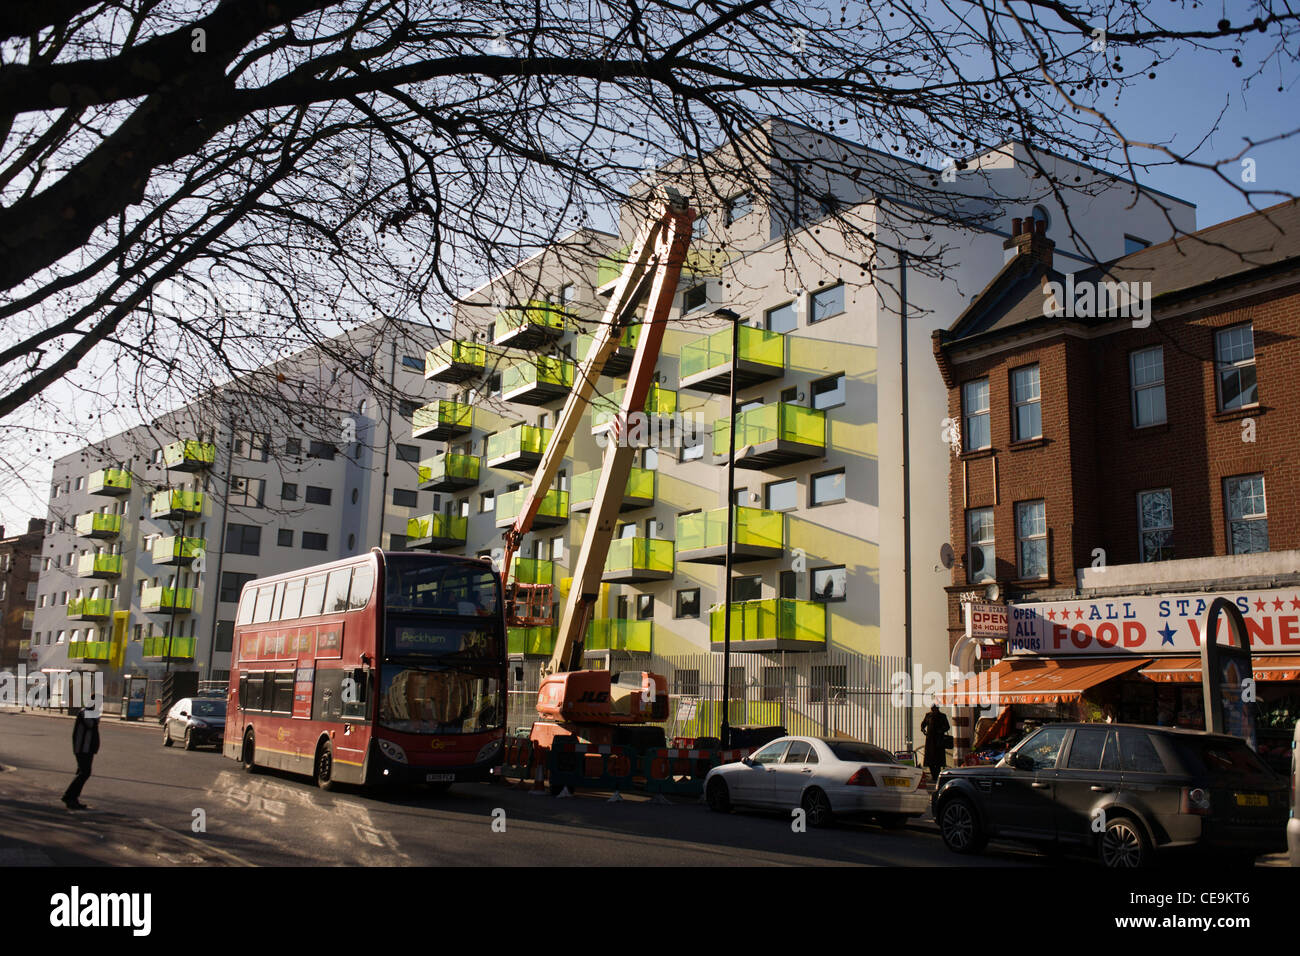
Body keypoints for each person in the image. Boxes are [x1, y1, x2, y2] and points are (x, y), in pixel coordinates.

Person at [62, 706, 100, 810]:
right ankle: (69, 797)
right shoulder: (85, 712)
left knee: (83, 773)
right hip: (83, 748)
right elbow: (91, 724)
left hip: (88, 749)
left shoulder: (91, 712)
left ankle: (72, 798)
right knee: (84, 773)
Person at [920, 703, 950, 783]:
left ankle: (937, 775)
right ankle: (933, 775)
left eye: (935, 708)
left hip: (939, 740)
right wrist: (923, 730)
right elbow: (923, 724)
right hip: (930, 740)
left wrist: (941, 730)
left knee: (938, 759)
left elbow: (947, 726)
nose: (933, 710)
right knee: (930, 759)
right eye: (932, 708)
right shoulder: (928, 715)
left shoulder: (942, 716)